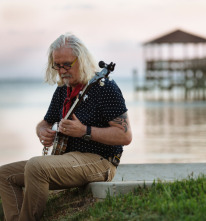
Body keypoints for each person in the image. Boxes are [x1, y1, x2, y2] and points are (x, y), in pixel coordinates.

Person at [0, 33, 132, 221]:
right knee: (4, 175)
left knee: (37, 166)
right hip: (67, 159)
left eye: (67, 64)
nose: (62, 71)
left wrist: (84, 131)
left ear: (83, 60)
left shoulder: (105, 88)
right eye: (57, 65)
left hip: (101, 161)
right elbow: (45, 122)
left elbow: (125, 135)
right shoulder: (64, 88)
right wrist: (42, 132)